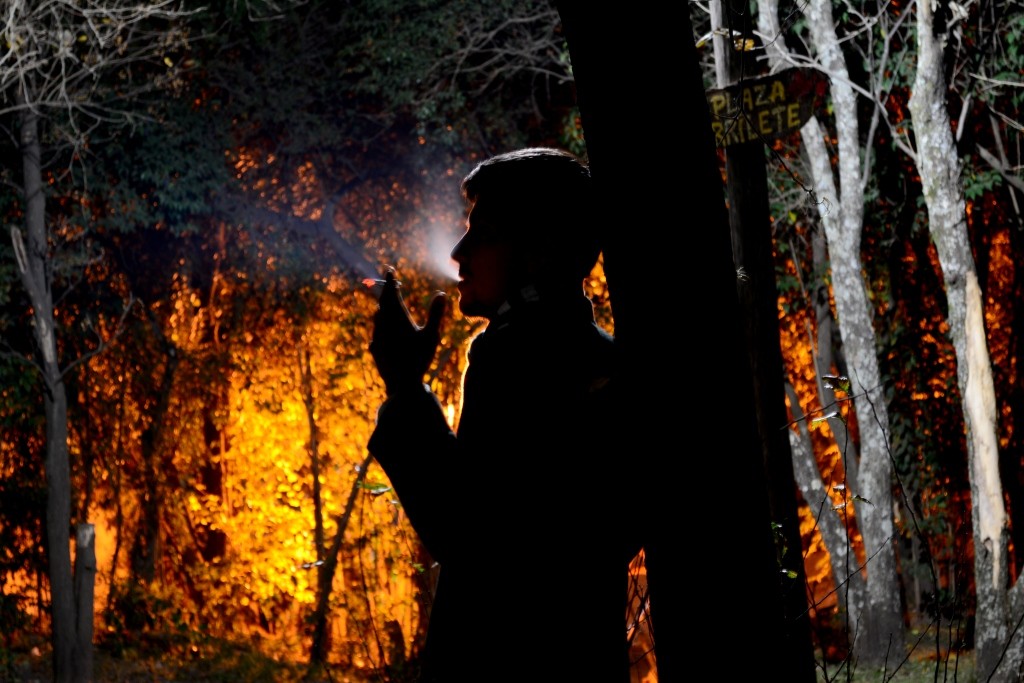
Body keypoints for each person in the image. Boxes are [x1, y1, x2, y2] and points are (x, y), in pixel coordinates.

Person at [368, 148, 637, 681]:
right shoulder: (601, 355)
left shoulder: (517, 360)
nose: (458, 253)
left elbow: (471, 539)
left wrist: (404, 389)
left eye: (483, 234)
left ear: (540, 251)